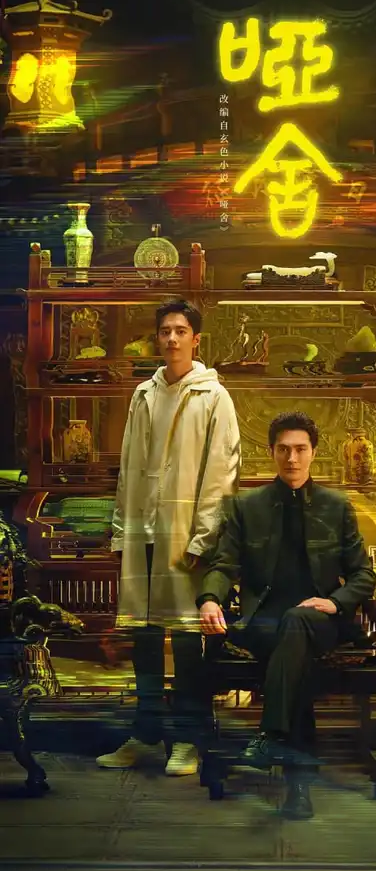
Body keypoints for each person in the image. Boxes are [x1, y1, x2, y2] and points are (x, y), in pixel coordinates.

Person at [197, 411, 376, 816]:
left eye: (300, 449)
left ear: (313, 452)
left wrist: (336, 602)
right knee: (294, 654)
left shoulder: (336, 505)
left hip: (321, 621)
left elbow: (362, 574)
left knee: (297, 623)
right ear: (271, 452)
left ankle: (272, 737)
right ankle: (296, 783)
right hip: (263, 622)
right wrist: (209, 599)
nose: (291, 458)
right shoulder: (247, 507)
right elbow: (224, 565)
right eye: (283, 449)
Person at [97, 299, 241, 775]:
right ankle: (145, 733)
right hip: (144, 530)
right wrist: (122, 530)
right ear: (157, 338)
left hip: (185, 534)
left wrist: (203, 539)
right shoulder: (144, 394)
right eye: (165, 331)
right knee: (143, 636)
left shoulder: (213, 396)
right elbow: (128, 468)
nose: (173, 338)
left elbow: (222, 474)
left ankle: (187, 739)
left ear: (196, 339)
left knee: (186, 638)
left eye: (181, 330)